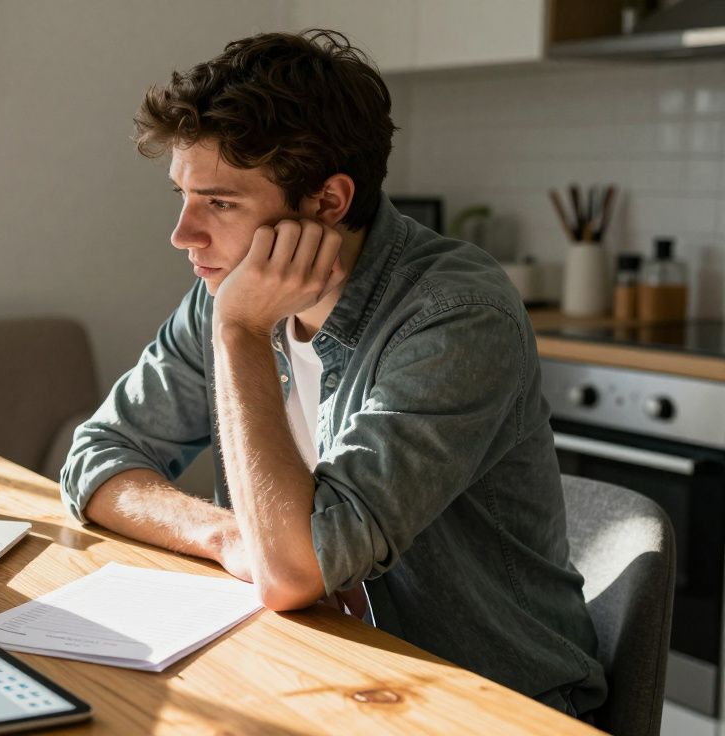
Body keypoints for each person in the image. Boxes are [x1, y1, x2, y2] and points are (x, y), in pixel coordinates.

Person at [59, 30, 605, 717]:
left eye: (220, 203)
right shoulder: (226, 291)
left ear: (328, 201)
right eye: (182, 195)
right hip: (325, 668)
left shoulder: (455, 316)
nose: (183, 234)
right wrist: (229, 537)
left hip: (490, 701)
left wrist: (241, 334)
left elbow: (293, 571)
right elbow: (96, 458)